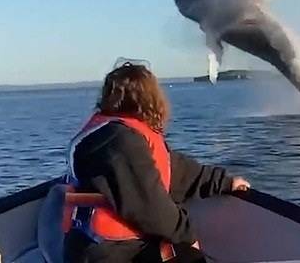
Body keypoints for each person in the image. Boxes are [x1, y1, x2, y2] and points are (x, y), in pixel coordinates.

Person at [63, 61, 250, 263]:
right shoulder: (121, 141)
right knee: (189, 257)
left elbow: (175, 169)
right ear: (149, 98)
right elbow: (150, 208)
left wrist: (222, 182)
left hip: (98, 244)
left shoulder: (111, 132)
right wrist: (188, 236)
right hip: (107, 251)